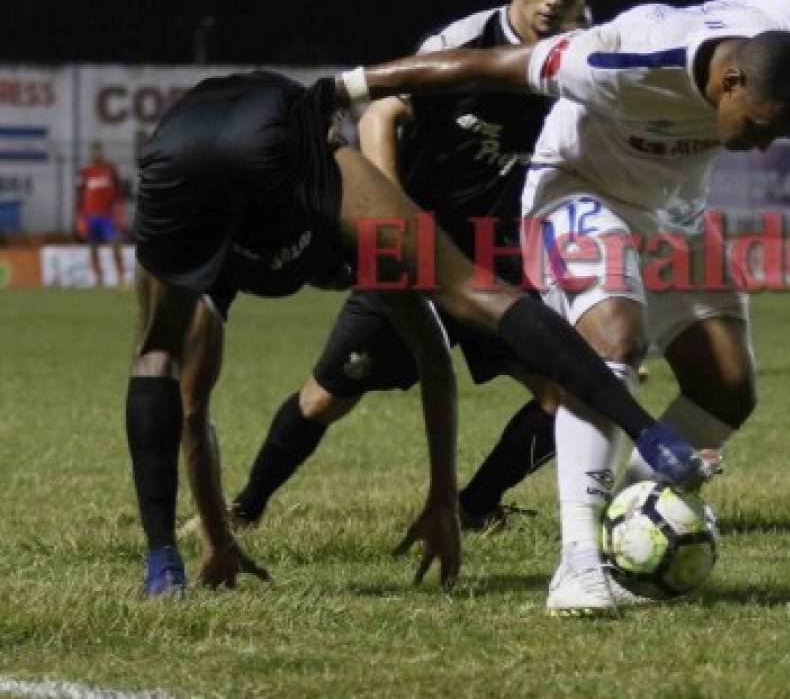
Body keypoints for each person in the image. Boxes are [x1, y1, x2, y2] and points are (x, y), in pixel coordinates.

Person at [340, 0, 790, 615]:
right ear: (729, 83)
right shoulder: (622, 56)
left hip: (673, 213)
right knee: (613, 339)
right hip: (575, 190)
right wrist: (348, 86)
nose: (758, 146)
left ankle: (629, 515)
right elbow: (479, 64)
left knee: (726, 387)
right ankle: (577, 565)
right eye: (756, 128)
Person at [126, 66, 718, 598]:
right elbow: (436, 352)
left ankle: (163, 564)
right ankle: (652, 435)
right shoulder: (353, 220)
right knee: (476, 290)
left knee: (159, 362)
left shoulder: (226, 263)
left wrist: (216, 539)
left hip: (178, 152)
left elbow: (191, 410)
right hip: (265, 129)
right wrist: (441, 496)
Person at [226, 0, 592, 533]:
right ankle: (245, 507)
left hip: (498, 258)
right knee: (326, 397)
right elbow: (383, 112)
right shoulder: (465, 42)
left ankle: (475, 507)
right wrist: (394, 220)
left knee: (569, 392)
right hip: (417, 251)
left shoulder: (586, 56)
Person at [75, 141, 127, 288]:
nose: (96, 154)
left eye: (98, 151)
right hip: (91, 217)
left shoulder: (110, 170)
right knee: (93, 248)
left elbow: (118, 194)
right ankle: (99, 279)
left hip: (107, 216)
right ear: (90, 153)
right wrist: (80, 217)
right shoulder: (85, 172)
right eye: (93, 151)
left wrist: (119, 213)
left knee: (115, 244)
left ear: (103, 152)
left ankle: (121, 277)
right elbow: (79, 195)